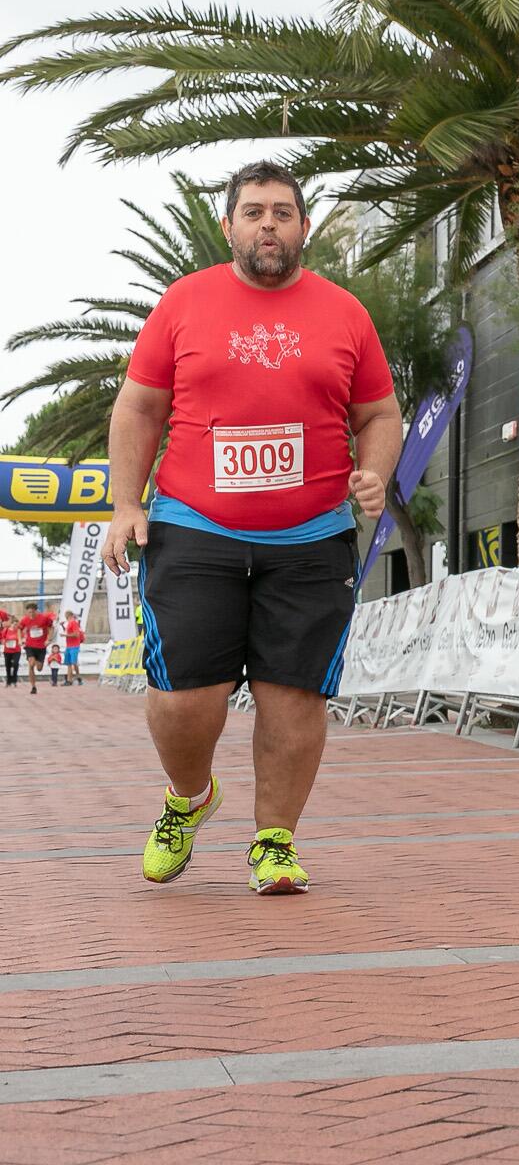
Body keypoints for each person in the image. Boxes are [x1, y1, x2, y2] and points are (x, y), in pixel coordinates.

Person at [102, 160, 401, 895]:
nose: (268, 223)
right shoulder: (184, 302)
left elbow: (379, 415)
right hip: (194, 525)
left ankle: (274, 841)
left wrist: (376, 471)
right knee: (183, 699)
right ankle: (190, 798)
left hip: (312, 534)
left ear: (304, 227)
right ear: (229, 225)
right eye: (254, 211)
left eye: (283, 212)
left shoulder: (345, 313)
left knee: (293, 693)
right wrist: (125, 504)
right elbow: (139, 408)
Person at [19, 604, 53, 697]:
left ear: (36, 611)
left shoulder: (44, 618)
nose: (31, 614)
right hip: (30, 645)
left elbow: (51, 628)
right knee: (31, 664)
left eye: (32, 612)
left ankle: (38, 663)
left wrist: (49, 639)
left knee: (39, 668)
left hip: (41, 646)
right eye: (29, 612)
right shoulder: (25, 619)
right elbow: (19, 629)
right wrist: (20, 639)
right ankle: (33, 687)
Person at [61, 614, 85, 686]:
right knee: (70, 663)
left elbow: (76, 634)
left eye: (67, 617)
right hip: (69, 645)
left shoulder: (74, 623)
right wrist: (62, 626)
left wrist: (64, 635)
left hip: (74, 646)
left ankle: (72, 679)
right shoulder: (70, 624)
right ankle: (71, 679)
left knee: (73, 663)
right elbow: (68, 632)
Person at [1, 616, 20, 687]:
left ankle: (14, 680)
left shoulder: (18, 631)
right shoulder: (6, 630)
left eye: (16, 624)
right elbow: (2, 639)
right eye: (14, 624)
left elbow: (22, 638)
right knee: (7, 666)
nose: (15, 626)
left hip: (16, 650)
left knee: (15, 664)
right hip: (7, 651)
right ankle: (8, 681)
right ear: (11, 624)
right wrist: (4, 641)